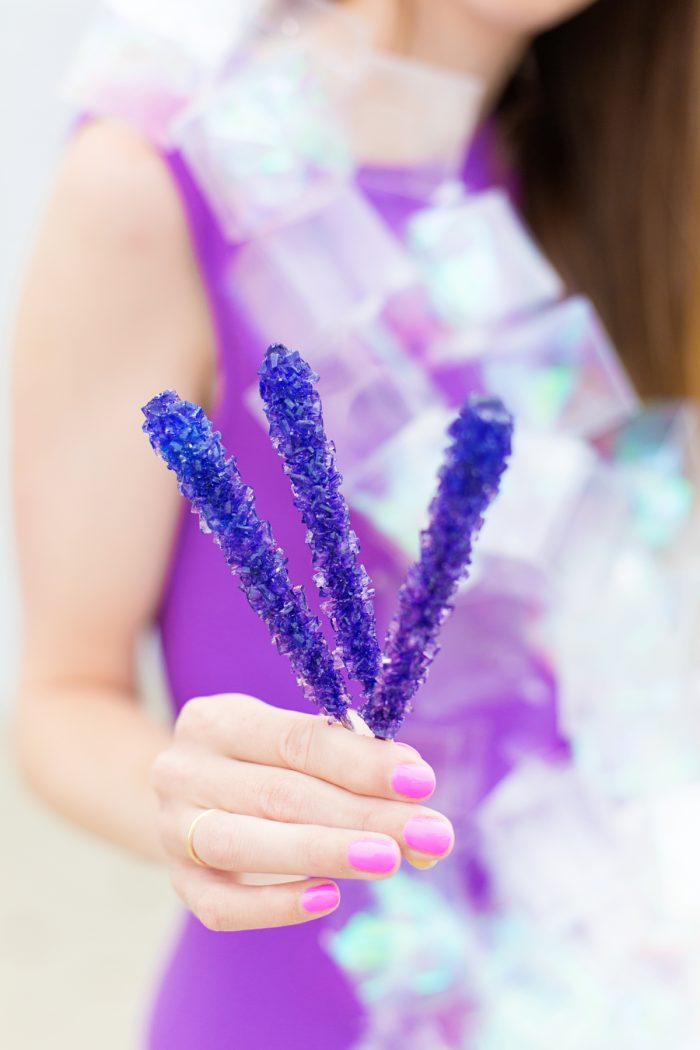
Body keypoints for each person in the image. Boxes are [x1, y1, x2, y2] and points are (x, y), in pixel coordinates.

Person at [10, 1, 699, 1047]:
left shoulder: (629, 171)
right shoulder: (157, 176)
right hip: (310, 997)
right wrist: (204, 807)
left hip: (605, 982)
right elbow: (64, 695)